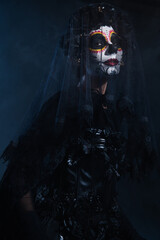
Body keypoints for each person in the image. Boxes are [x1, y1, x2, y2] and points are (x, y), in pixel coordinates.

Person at [0, 3, 156, 240]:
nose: (112, 48)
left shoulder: (112, 113)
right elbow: (18, 180)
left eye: (116, 40)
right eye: (98, 42)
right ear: (79, 54)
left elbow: (104, 199)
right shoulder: (63, 108)